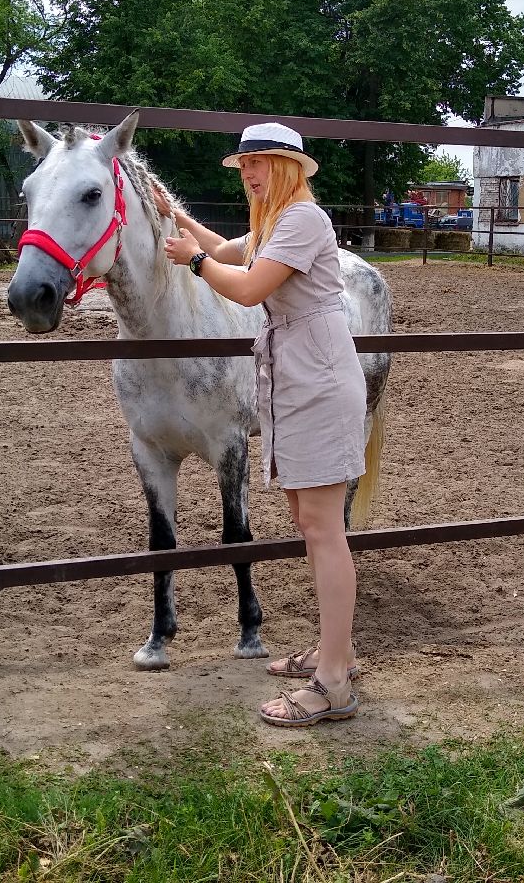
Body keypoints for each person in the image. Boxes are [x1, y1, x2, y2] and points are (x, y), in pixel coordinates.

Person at [157, 121, 365, 728]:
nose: (250, 173)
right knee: (309, 519)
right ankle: (336, 654)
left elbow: (244, 289)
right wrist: (181, 222)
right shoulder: (276, 222)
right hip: (296, 376)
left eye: (263, 163)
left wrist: (191, 260)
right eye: (245, 164)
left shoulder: (303, 221)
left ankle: (333, 682)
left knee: (323, 526)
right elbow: (227, 250)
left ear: (292, 169)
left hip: (317, 379)